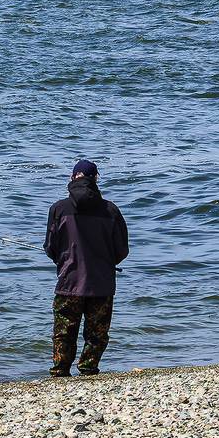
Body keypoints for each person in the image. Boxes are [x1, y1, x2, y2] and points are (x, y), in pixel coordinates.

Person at [44, 159, 129, 377]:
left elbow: (50, 247)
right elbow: (122, 250)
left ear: (73, 178)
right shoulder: (110, 210)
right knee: (97, 333)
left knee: (63, 332)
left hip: (69, 281)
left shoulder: (59, 209)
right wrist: (105, 263)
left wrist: (64, 262)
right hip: (101, 283)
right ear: (96, 179)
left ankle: (60, 370)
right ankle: (89, 368)